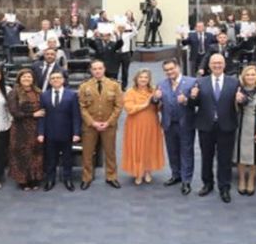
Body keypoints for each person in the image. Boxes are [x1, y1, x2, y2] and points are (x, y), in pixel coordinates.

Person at [191, 53, 240, 203]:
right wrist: (193, 97)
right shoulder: (200, 82)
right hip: (206, 126)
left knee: (224, 159)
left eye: (220, 63)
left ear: (224, 65)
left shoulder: (234, 82)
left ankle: (224, 187)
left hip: (227, 126)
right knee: (206, 157)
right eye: (214, 63)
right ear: (209, 65)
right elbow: (194, 104)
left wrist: (242, 99)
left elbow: (241, 101)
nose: (217, 65)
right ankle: (207, 184)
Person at [77, 59, 124, 190]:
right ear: (91, 71)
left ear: (104, 69)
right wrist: (92, 123)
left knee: (110, 152)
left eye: (100, 68)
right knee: (87, 153)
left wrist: (108, 122)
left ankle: (111, 177)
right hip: (90, 126)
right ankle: (86, 177)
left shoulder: (114, 85)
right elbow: (82, 107)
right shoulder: (84, 86)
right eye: (94, 69)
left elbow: (119, 106)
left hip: (108, 125)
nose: (97, 71)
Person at [159, 59, 198, 195]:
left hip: (185, 123)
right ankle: (176, 175)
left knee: (186, 152)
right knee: (172, 151)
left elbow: (197, 102)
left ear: (178, 67)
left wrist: (187, 100)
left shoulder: (192, 82)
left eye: (172, 69)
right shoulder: (161, 84)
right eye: (167, 70)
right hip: (168, 123)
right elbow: (156, 102)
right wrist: (154, 98)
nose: (170, 72)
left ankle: (186, 181)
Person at [121, 69, 165, 186]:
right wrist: (145, 104)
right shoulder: (130, 92)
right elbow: (129, 108)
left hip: (151, 123)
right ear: (136, 78)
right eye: (141, 77)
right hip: (135, 124)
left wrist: (159, 100)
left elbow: (159, 108)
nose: (143, 79)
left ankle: (147, 171)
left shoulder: (154, 90)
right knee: (137, 146)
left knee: (148, 147)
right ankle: (138, 172)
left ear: (149, 79)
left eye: (146, 77)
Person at [232, 65, 256, 195]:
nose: (250, 77)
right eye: (248, 75)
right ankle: (242, 179)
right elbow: (233, 109)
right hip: (241, 125)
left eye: (253, 75)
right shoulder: (239, 89)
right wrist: (236, 101)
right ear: (243, 76)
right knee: (241, 154)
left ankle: (251, 180)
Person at [39, 70, 81, 191]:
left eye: (58, 78)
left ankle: (67, 179)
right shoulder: (44, 95)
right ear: (50, 81)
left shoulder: (72, 95)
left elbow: (76, 116)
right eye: (53, 78)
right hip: (49, 133)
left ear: (63, 80)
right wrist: (41, 133)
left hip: (67, 133)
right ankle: (50, 179)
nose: (56, 80)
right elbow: (42, 116)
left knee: (67, 159)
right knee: (50, 159)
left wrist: (76, 133)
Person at [6, 68, 45, 190]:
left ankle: (34, 179)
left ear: (33, 79)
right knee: (22, 154)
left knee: (36, 154)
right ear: (19, 79)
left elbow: (43, 110)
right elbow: (14, 112)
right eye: (24, 77)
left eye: (29, 77)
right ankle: (23, 181)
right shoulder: (14, 93)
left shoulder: (39, 92)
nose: (26, 79)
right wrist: (33, 115)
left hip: (36, 128)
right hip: (20, 129)